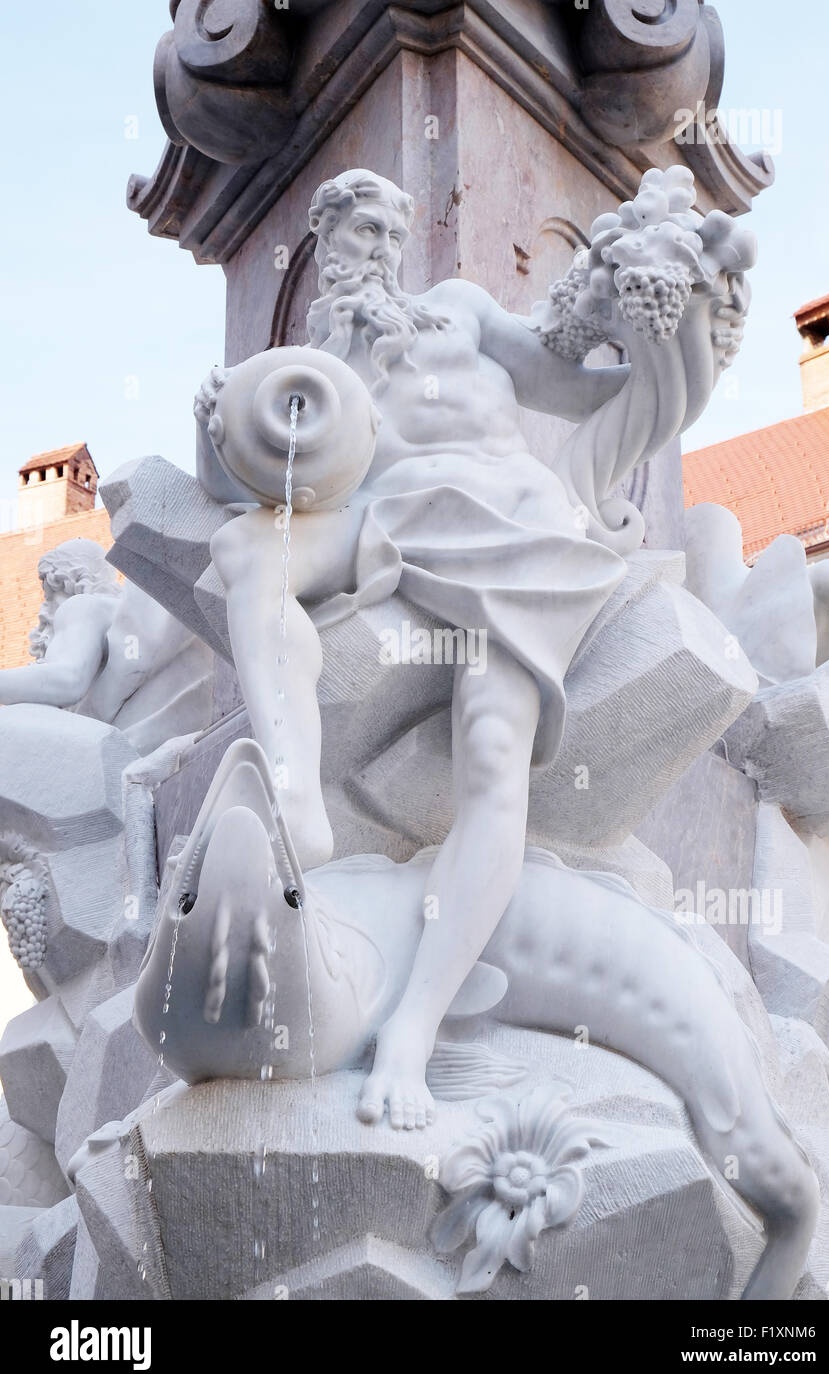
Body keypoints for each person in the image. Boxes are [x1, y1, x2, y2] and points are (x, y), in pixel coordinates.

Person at [205, 169, 630, 1130]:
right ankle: (295, 790)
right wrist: (216, 425)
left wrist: (662, 349)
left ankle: (414, 1028)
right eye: (355, 227)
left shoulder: (460, 311)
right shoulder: (313, 362)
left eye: (387, 226)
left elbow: (570, 382)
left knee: (492, 757)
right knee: (247, 550)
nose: (376, 242)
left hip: (508, 521)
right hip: (381, 518)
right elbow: (247, 489)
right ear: (321, 241)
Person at [0, 538, 213, 755]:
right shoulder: (122, 618)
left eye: (48, 592)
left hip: (119, 751)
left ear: (63, 582)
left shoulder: (82, 606)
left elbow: (68, 680)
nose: (44, 610)